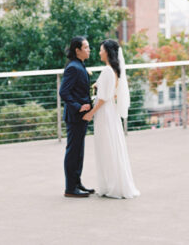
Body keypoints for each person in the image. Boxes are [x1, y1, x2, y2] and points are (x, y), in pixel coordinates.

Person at [83, 39, 139, 199]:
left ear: (107, 52)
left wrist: (90, 113)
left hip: (104, 113)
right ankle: (113, 184)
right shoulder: (114, 70)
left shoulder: (107, 71)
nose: (99, 52)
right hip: (110, 111)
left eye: (101, 50)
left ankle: (111, 186)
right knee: (111, 146)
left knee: (106, 146)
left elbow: (103, 98)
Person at [59, 36, 95, 198]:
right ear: (77, 50)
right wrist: (78, 106)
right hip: (75, 116)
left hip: (81, 116)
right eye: (86, 47)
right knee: (73, 151)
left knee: (79, 151)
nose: (89, 50)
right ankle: (70, 188)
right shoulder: (73, 68)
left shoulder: (80, 65)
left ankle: (77, 183)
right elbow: (63, 92)